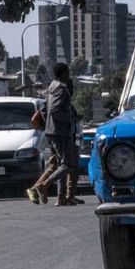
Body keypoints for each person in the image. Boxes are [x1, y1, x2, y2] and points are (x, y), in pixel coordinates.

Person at [30, 62, 82, 207]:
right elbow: (54, 110)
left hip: (53, 131)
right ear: (64, 73)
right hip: (61, 132)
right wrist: (71, 118)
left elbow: (47, 108)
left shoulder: (52, 87)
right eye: (68, 72)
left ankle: (60, 197)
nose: (69, 75)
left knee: (60, 165)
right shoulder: (61, 90)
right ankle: (42, 186)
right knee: (67, 165)